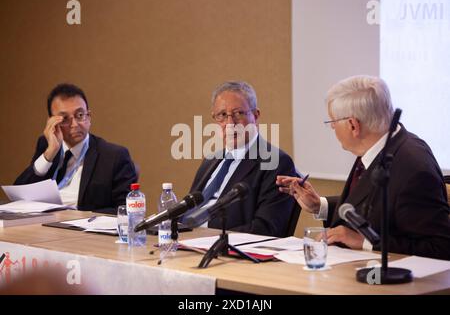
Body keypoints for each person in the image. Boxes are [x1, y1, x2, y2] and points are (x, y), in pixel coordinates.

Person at [277, 75, 450, 260]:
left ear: (353, 125)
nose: (333, 128)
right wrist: (320, 205)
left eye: (333, 122)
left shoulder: (413, 168)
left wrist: (365, 241)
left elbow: (440, 247)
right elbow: (376, 205)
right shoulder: (377, 145)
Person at [183, 81, 300, 237]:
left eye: (238, 113)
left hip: (227, 251)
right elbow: (190, 209)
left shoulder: (275, 162)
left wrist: (208, 237)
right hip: (187, 243)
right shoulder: (210, 160)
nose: (230, 124)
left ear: (256, 115)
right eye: (222, 115)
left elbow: (266, 229)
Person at [15, 83, 137, 214]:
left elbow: (126, 209)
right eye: (64, 118)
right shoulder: (47, 145)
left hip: (83, 228)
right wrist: (49, 154)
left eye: (80, 115)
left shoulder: (113, 156)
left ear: (89, 117)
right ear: (52, 122)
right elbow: (20, 195)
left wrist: (79, 216)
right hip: (44, 226)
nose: (75, 124)